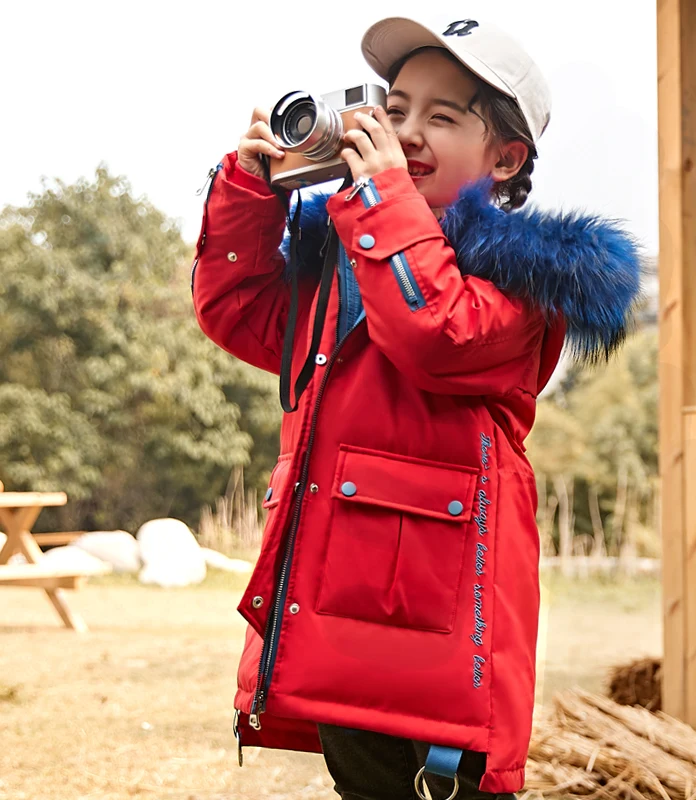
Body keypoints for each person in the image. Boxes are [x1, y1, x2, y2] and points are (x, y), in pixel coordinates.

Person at [192, 15, 642, 800]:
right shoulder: (346, 260)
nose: (406, 132)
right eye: (394, 109)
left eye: (443, 116)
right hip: (336, 618)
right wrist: (248, 187)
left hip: (443, 635)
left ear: (505, 158)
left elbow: (435, 331)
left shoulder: (521, 277)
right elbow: (236, 307)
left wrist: (377, 202)